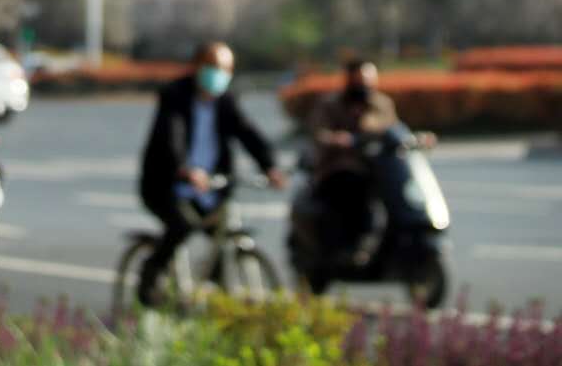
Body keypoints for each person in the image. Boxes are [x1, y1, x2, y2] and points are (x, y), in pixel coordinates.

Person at [137, 40, 285, 306]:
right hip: (168, 185)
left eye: (226, 69)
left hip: (209, 188)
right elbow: (172, 137)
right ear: (196, 66)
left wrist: (270, 166)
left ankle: (213, 294)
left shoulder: (226, 101)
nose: (219, 75)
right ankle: (150, 275)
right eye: (213, 67)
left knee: (220, 233)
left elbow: (248, 133)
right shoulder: (175, 96)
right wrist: (185, 170)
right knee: (181, 226)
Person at [308, 56, 397, 257]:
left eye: (366, 81)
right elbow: (319, 133)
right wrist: (337, 139)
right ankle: (352, 244)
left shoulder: (381, 104)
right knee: (352, 185)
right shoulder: (330, 104)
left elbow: (393, 129)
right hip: (339, 167)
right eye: (357, 81)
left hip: (378, 165)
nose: (362, 86)